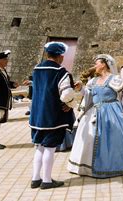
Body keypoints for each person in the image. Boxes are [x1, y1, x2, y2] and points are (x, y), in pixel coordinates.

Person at [67, 54, 123, 178]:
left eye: (97, 63)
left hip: (112, 112)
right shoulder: (93, 81)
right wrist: (81, 88)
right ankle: (86, 166)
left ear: (104, 64)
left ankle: (113, 165)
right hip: (94, 112)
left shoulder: (114, 79)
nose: (95, 66)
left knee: (113, 139)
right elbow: (88, 95)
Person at [29, 42, 79, 189]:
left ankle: (35, 178)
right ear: (60, 56)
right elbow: (66, 94)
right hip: (53, 117)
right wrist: (70, 104)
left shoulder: (36, 69)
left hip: (37, 115)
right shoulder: (60, 71)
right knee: (50, 148)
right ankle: (47, 181)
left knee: (39, 147)